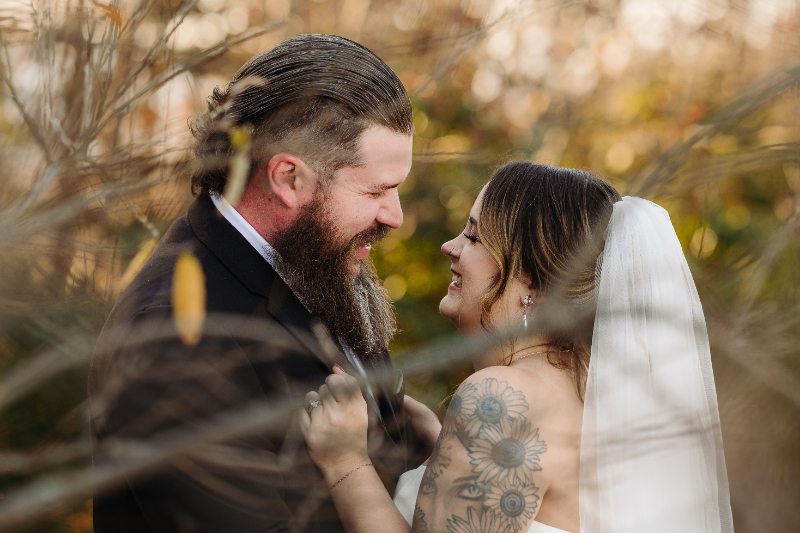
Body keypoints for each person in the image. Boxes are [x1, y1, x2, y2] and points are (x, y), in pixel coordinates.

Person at [88, 34, 428, 533]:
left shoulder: (320, 265)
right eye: (376, 190)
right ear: (288, 178)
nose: (394, 216)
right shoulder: (176, 335)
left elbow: (389, 452)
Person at [300, 162, 734, 533]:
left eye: (473, 238)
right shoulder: (591, 399)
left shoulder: (505, 401)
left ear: (536, 284)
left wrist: (345, 463)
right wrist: (441, 447)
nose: (449, 247)